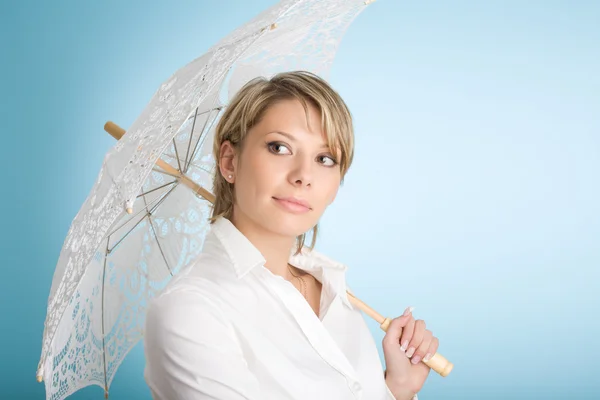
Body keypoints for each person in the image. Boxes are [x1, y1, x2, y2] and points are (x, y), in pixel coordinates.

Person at [143, 71, 439, 400]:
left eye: (325, 159)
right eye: (280, 147)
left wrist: (397, 389)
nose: (303, 176)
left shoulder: (331, 287)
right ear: (230, 161)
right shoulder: (191, 311)